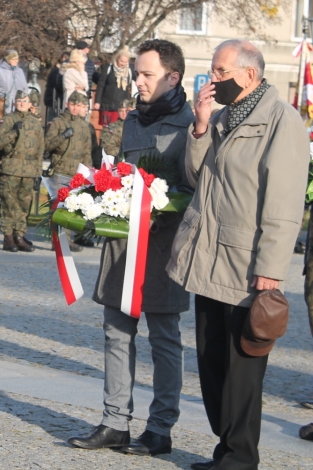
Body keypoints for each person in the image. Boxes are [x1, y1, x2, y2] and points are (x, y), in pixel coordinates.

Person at [167, 39, 308, 470]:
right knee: (211, 362)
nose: (213, 79)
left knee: (242, 369)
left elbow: (284, 202)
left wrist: (271, 269)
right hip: (207, 254)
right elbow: (197, 179)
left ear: (250, 74)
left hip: (247, 264)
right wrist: (200, 127)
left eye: (221, 72)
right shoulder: (222, 117)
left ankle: (240, 457)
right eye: (213, 70)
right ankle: (225, 448)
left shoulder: (281, 120)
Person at [67, 39, 195, 456]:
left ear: (172, 77)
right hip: (122, 248)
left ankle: (160, 428)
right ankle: (114, 422)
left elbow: (194, 188)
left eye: (146, 74)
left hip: (164, 249)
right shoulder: (134, 120)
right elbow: (123, 174)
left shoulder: (192, 125)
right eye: (137, 73)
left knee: (164, 338)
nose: (137, 81)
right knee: (115, 333)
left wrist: (157, 207)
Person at [0, 90, 44, 253]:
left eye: (25, 101)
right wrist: (14, 131)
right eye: (19, 100)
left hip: (29, 170)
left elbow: (40, 149)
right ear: (15, 102)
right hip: (10, 168)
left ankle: (19, 235)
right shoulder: (8, 120)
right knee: (9, 204)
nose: (22, 103)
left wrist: (38, 172)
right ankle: (8, 237)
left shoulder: (35, 123)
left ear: (30, 104)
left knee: (23, 206)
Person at [44, 91, 94, 252]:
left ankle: (67, 240)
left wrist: (87, 174)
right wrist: (63, 136)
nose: (75, 108)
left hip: (76, 174)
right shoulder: (58, 123)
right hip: (60, 170)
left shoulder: (84, 126)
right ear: (67, 104)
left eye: (78, 105)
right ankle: (58, 240)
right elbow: (47, 145)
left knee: (72, 207)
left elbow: (87, 151)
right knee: (58, 207)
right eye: (72, 104)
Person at [94, 47, 134, 126]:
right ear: (117, 58)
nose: (123, 64)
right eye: (121, 61)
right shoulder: (108, 68)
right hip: (107, 105)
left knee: (120, 128)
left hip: (122, 106)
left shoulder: (130, 70)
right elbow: (100, 85)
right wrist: (97, 101)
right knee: (106, 129)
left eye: (125, 62)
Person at [0, 49, 28, 116]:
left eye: (17, 59)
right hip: (2, 106)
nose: (16, 61)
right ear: (8, 59)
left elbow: (25, 89)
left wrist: (25, 103)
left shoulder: (19, 71)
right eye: (13, 59)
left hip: (17, 106)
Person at [44, 52, 69, 125]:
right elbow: (58, 86)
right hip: (55, 101)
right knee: (53, 122)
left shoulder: (54, 70)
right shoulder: (57, 71)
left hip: (54, 100)